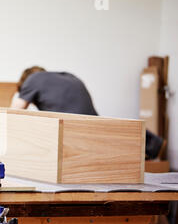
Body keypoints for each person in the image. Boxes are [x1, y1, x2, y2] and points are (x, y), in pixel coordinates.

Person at [10, 66, 166, 160]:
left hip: (72, 131)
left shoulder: (32, 79)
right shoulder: (68, 76)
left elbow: (14, 113)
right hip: (92, 122)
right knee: (108, 133)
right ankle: (153, 143)